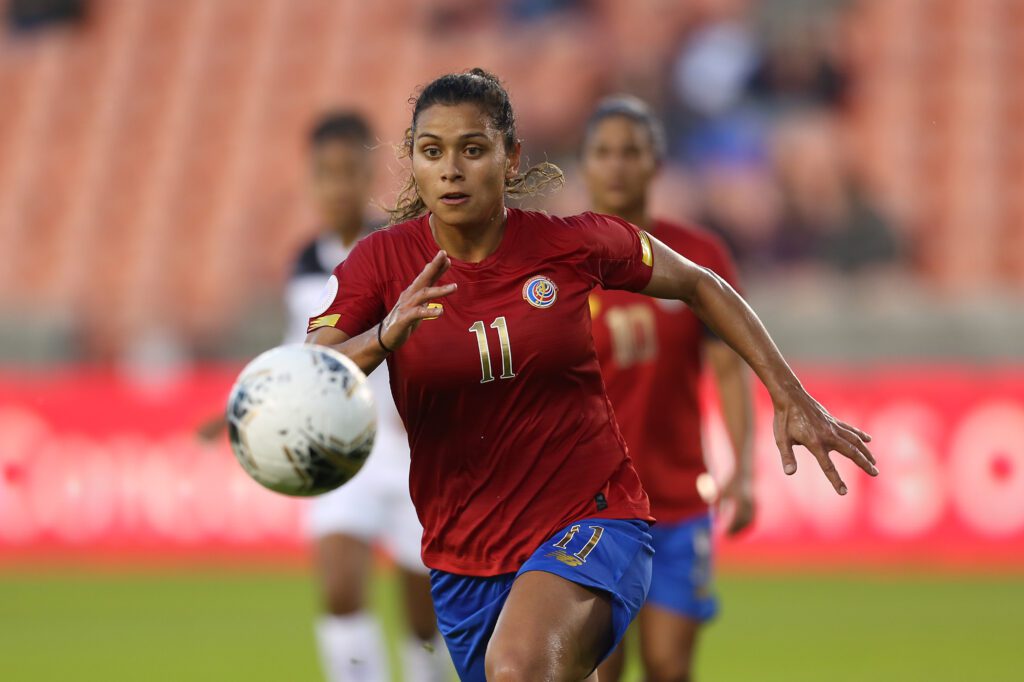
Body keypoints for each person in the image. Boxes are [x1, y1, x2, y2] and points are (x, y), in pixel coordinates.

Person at [306, 68, 877, 682]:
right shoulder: (380, 263)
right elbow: (313, 369)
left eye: (473, 150)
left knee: (519, 667)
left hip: (594, 517)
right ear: (412, 161)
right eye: (432, 151)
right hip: (463, 553)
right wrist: (385, 334)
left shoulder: (569, 244)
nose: (451, 168)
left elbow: (700, 283)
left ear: (511, 158)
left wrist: (790, 395)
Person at [208, 112, 451, 682]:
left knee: (424, 616)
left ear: (369, 175)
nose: (338, 185)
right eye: (326, 173)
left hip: (412, 451)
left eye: (349, 171)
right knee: (341, 588)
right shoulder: (304, 262)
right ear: (311, 180)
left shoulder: (395, 252)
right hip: (341, 448)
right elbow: (302, 354)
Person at [580, 95, 754, 682]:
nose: (617, 165)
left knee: (668, 667)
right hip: (588, 506)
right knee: (600, 669)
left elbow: (728, 367)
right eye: (603, 153)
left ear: (656, 163)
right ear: (586, 166)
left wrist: (744, 468)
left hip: (679, 499)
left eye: (632, 152)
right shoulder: (560, 264)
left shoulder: (698, 258)